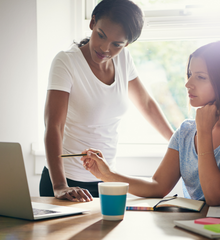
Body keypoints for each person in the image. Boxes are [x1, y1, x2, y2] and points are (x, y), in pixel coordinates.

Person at [40, 0, 173, 202]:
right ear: (92, 23)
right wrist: (60, 186)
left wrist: (176, 142)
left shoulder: (123, 59)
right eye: (101, 35)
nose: (104, 48)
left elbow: (145, 103)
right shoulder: (66, 62)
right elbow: (53, 126)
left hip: (105, 180)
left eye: (116, 44)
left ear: (126, 44)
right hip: (67, 180)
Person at [81, 41, 220, 206]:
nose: (188, 84)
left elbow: (215, 197)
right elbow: (158, 186)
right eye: (190, 74)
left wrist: (204, 131)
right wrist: (108, 175)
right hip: (196, 226)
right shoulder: (186, 131)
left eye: (200, 77)